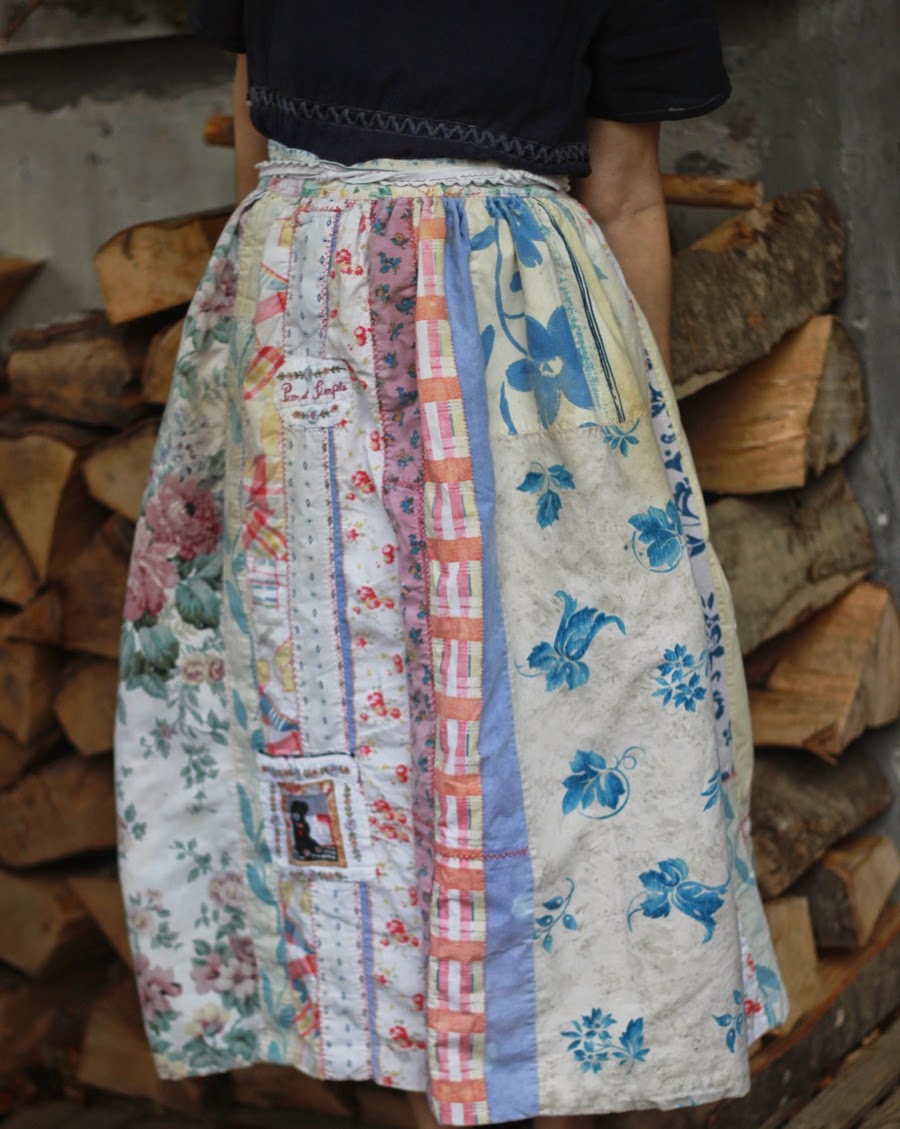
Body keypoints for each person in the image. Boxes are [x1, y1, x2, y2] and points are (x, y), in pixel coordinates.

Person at [115, 4, 789, 1127]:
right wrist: (267, 343)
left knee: (563, 724)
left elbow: (625, 192)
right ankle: (385, 1053)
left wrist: (635, 458)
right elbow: (255, 119)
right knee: (336, 718)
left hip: (523, 356)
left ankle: (548, 1078)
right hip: (307, 348)